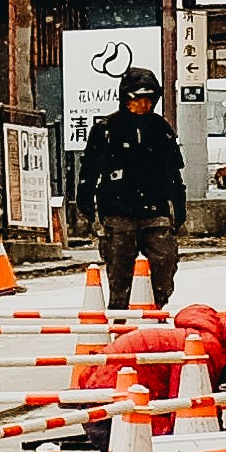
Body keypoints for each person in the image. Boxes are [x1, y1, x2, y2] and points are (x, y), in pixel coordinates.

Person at [75, 68, 188, 312]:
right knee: (120, 272)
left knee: (165, 261)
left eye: (148, 99)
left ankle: (154, 308)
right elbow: (89, 169)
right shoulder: (107, 130)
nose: (143, 105)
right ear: (126, 99)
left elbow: (173, 173)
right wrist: (85, 199)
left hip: (155, 210)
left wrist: (178, 205)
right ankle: (119, 318)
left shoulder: (161, 130)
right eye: (137, 99)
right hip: (117, 211)